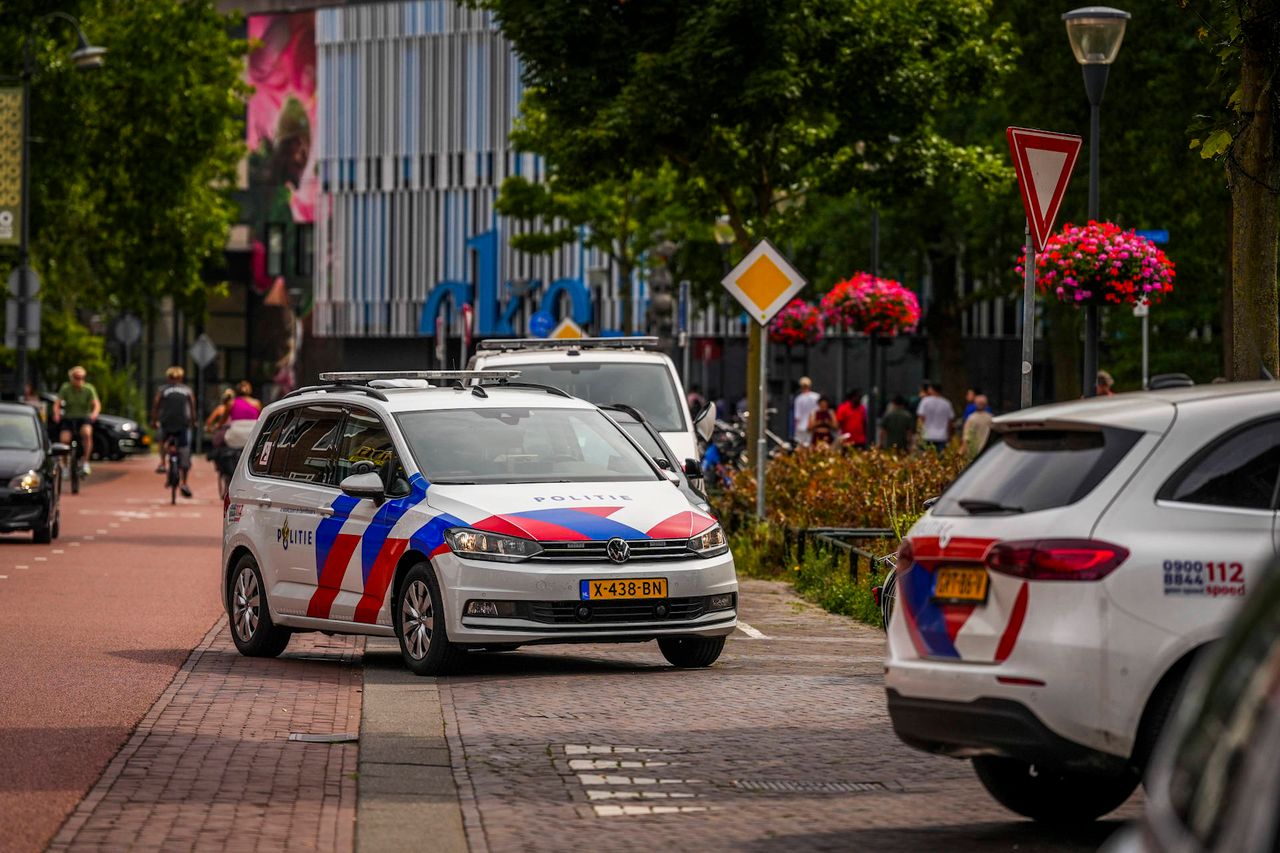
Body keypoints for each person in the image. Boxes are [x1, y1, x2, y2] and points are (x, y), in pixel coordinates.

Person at [151, 366, 197, 498]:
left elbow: (156, 405)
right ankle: (184, 482)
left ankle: (162, 462)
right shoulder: (187, 390)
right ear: (181, 378)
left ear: (168, 378)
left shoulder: (163, 390)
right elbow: (192, 407)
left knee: (162, 439)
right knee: (185, 451)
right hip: (183, 424)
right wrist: (193, 422)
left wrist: (154, 420)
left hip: (166, 423)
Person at [54, 366, 101, 476]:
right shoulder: (66, 388)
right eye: (76, 377)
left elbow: (96, 404)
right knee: (64, 440)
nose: (79, 380)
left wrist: (94, 413)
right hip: (69, 418)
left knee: (87, 433)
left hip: (84, 417)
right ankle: (65, 466)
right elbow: (57, 403)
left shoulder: (89, 389)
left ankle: (85, 462)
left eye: (81, 377)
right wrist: (56, 413)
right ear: (71, 378)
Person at [916, 382, 955, 452]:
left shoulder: (925, 401)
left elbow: (921, 418)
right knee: (940, 458)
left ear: (931, 389)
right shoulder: (947, 403)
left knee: (927, 458)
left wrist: (919, 433)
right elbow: (950, 421)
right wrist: (949, 435)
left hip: (927, 435)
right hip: (942, 436)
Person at [961, 394, 995, 461]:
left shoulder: (971, 418)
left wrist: (961, 452)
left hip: (974, 452)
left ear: (975, 404)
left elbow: (966, 438)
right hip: (987, 453)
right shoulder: (991, 418)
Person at [792, 377, 820, 447]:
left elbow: (797, 416)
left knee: (801, 446)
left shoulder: (798, 399)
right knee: (811, 445)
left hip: (802, 426)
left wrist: (796, 429)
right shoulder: (816, 396)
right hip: (813, 425)